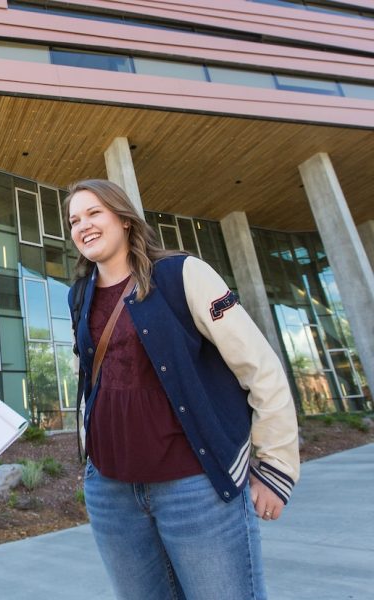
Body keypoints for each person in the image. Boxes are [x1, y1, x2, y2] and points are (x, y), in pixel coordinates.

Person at [65, 179, 300, 599]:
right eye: (74, 220)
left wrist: (276, 466)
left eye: (94, 213)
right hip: (111, 494)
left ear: (123, 218)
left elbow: (260, 368)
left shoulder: (183, 274)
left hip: (195, 489)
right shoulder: (79, 295)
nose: (83, 225)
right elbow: (92, 378)